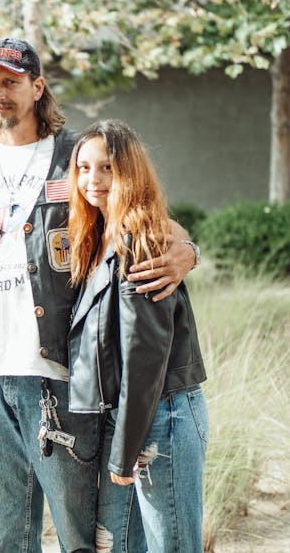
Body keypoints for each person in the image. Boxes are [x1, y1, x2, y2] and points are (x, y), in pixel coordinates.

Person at [0, 37, 200, 552]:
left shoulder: (77, 154)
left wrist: (187, 249)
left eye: (10, 82)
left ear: (37, 86)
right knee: (9, 534)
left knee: (81, 534)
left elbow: (143, 211)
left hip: (59, 374)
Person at [67, 119, 208, 552]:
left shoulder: (138, 244)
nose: (93, 180)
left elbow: (144, 361)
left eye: (107, 168)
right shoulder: (98, 237)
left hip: (161, 419)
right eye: (84, 168)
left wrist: (125, 451)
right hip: (139, 418)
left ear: (129, 171)